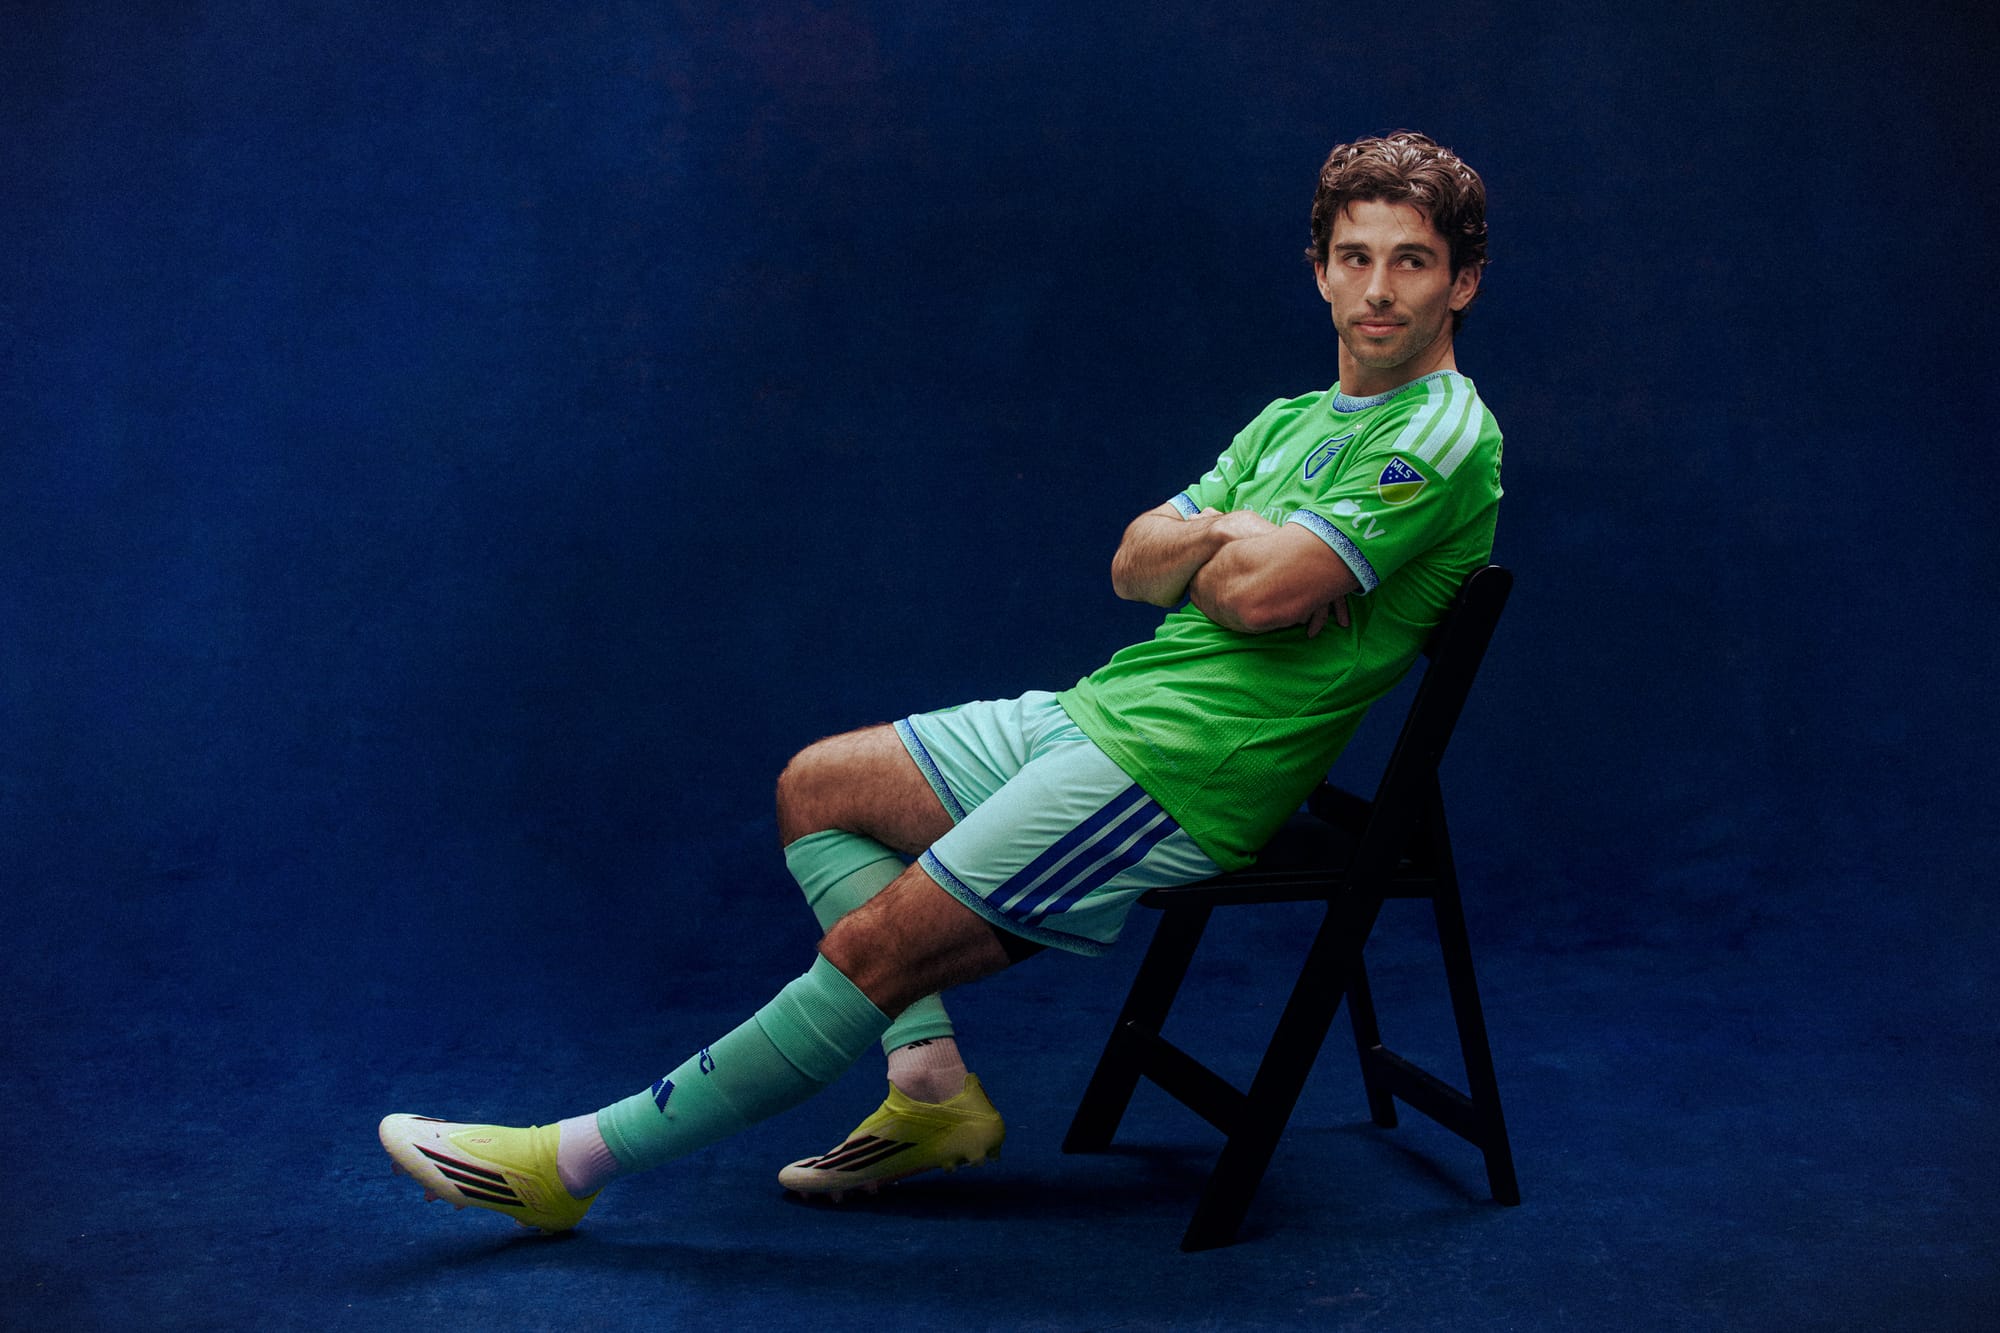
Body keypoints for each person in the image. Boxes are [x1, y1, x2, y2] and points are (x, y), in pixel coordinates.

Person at [379, 129, 1502, 1233]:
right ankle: (930, 1095)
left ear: (1461, 283)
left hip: (1182, 769)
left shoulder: (1446, 431)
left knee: (874, 950)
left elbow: (1258, 597)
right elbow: (1129, 561)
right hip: (1100, 711)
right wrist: (1231, 535)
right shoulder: (1288, 421)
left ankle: (566, 1166)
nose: (1378, 289)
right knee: (819, 788)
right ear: (1319, 272)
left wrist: (1221, 548)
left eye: (1411, 261)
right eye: (1355, 257)